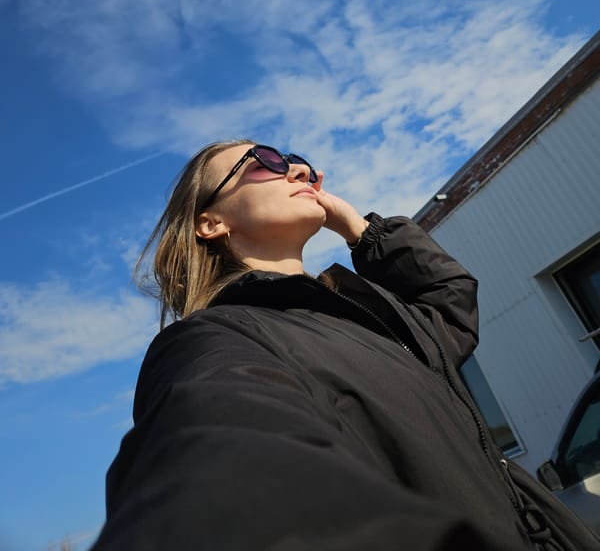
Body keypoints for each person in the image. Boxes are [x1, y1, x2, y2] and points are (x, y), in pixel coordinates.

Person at [91, 140, 600, 551]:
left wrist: (358, 228)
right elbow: (227, 470)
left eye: (301, 164)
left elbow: (449, 299)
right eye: (264, 161)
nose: (297, 171)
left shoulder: (365, 320)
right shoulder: (217, 340)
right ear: (211, 222)